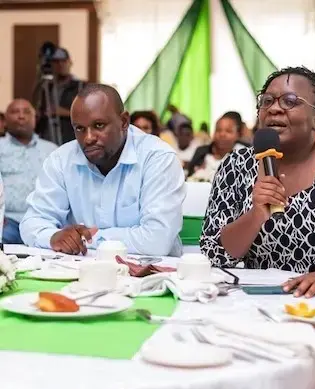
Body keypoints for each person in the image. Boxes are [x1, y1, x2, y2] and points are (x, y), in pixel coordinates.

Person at [201, 66, 315, 356]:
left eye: (290, 101)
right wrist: (256, 214)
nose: (274, 109)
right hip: (260, 308)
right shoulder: (235, 165)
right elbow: (217, 252)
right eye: (267, 101)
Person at [20, 84, 185, 256]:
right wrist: (53, 237)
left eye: (99, 125)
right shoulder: (61, 160)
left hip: (149, 270)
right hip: (79, 270)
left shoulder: (157, 158)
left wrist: (88, 238)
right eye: (79, 128)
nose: (88, 138)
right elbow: (32, 222)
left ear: (124, 122)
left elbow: (157, 240)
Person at [0, 99, 57, 244]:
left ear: (35, 119)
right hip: (8, 223)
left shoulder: (52, 150)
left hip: (44, 222)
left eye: (26, 112)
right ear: (5, 120)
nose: (21, 116)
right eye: (15, 112)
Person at [34, 47, 86, 145]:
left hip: (71, 139)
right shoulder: (46, 87)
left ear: (70, 62)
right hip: (48, 139)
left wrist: (64, 112)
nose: (60, 64)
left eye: (63, 61)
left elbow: (88, 114)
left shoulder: (81, 86)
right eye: (56, 62)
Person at [187, 113, 248, 181]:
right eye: (218, 130)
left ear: (238, 135)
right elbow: (189, 177)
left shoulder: (244, 154)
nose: (222, 134)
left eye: (228, 131)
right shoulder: (201, 152)